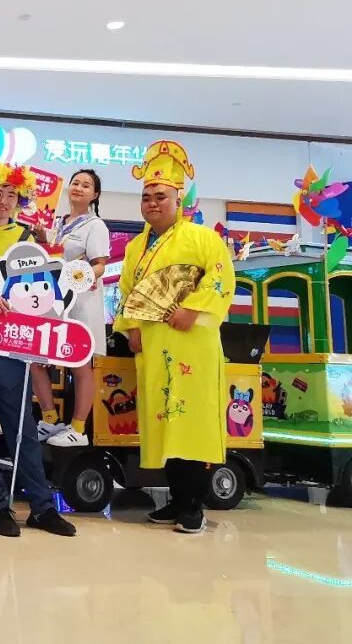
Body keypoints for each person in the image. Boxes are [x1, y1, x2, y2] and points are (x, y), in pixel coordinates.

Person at [113, 140, 233, 534]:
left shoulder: (202, 238)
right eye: (146, 197)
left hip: (191, 342)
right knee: (164, 420)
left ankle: (193, 505)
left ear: (178, 200)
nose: (152, 203)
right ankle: (176, 499)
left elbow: (221, 278)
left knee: (191, 420)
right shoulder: (135, 247)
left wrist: (192, 309)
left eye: (160, 196)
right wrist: (131, 328)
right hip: (153, 342)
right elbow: (128, 292)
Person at [0, 162, 76, 538]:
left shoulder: (29, 237)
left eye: (11, 195)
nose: (3, 201)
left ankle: (42, 507)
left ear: (20, 200)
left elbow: (45, 292)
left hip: (14, 351)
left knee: (23, 430)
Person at [34, 170, 111, 447]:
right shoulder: (56, 223)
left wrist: (82, 276)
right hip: (52, 302)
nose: (79, 187)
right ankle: (50, 419)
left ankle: (78, 429)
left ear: (95, 195)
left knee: (79, 363)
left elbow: (100, 264)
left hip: (80, 304)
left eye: (86, 185)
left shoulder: (95, 226)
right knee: (36, 360)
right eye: (75, 183)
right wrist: (40, 237)